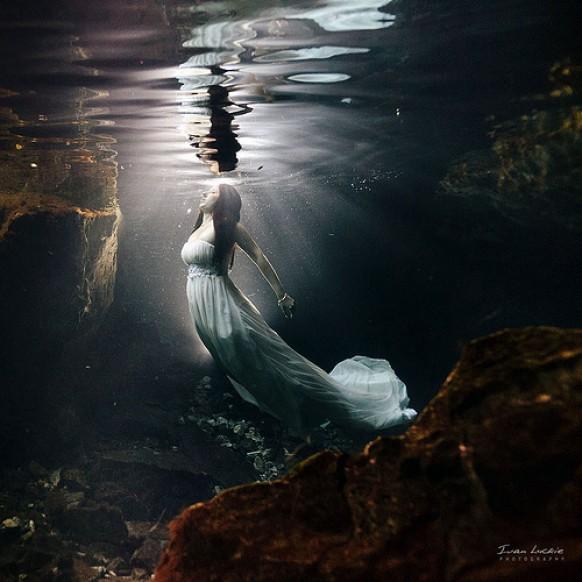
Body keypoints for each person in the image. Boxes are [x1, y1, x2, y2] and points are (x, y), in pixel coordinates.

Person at [181, 183, 417, 437]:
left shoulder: (230, 227)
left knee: (257, 355)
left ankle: (310, 404)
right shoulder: (198, 230)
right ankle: (293, 405)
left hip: (222, 302)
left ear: (224, 201)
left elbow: (258, 256)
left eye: (213, 191)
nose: (205, 193)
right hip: (202, 304)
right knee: (238, 361)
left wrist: (281, 295)